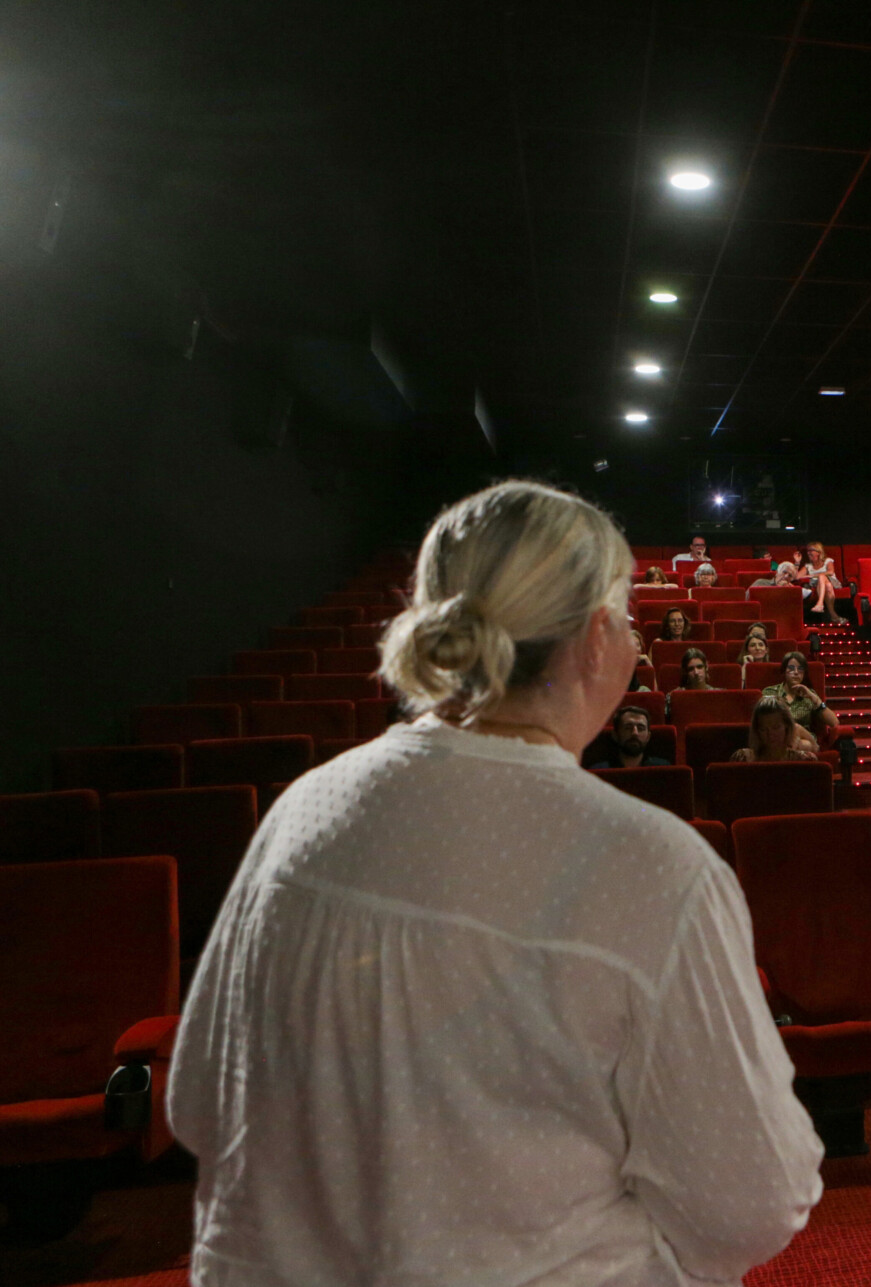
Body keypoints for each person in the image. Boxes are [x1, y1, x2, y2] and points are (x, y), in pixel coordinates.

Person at [168, 481, 821, 1284]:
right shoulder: (654, 864)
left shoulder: (304, 807)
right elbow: (750, 1199)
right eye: (626, 616)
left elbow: (197, 1099)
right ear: (592, 638)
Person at [761, 651, 834, 757]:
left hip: (805, 736)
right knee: (801, 740)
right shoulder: (770, 692)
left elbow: (834, 722)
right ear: (784, 671)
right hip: (777, 738)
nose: (795, 672)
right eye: (791, 668)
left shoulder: (810, 695)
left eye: (800, 669)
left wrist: (815, 699)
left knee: (797, 729)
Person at [731, 697, 814, 763]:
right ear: (757, 730)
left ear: (787, 726)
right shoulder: (744, 759)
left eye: (776, 727)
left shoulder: (802, 760)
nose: (770, 734)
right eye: (763, 729)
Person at [589, 705, 672, 769]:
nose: (635, 733)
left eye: (640, 728)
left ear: (648, 737)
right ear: (615, 735)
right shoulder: (599, 771)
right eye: (628, 728)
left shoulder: (662, 768)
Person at [799, 541, 847, 624]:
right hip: (819, 585)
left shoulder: (827, 561)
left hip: (832, 582)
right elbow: (797, 576)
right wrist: (797, 562)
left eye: (811, 550)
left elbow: (831, 572)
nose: (808, 552)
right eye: (808, 551)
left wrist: (812, 575)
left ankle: (820, 603)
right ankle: (834, 616)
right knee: (827, 585)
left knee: (823, 578)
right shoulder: (808, 566)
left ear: (819, 552)